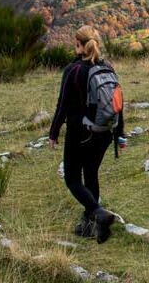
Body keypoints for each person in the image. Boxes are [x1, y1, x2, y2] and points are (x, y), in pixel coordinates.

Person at [49, 25, 125, 242]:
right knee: (91, 173)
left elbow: (61, 105)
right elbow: (118, 103)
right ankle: (92, 225)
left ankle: (98, 213)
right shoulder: (108, 67)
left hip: (80, 132)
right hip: (105, 133)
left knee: (73, 179)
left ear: (79, 45)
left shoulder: (73, 70)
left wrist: (53, 133)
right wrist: (120, 134)